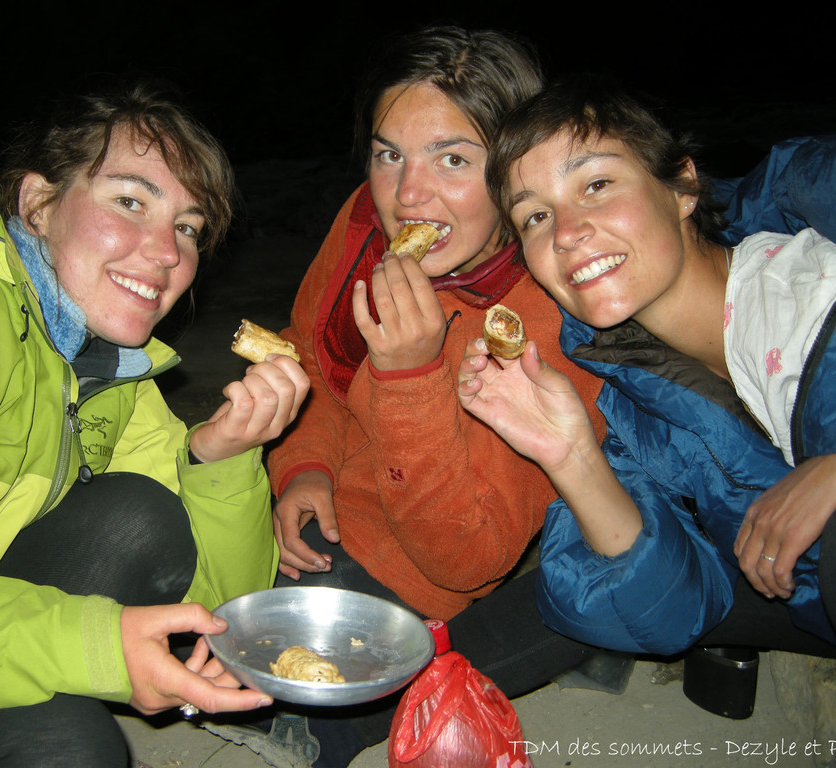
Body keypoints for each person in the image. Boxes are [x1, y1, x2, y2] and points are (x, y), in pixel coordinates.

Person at [202, 24, 608, 768]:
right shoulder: (364, 219)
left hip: (428, 557)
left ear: (512, 170)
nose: (408, 197)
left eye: (453, 158)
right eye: (390, 153)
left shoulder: (545, 310)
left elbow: (467, 558)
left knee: (288, 672)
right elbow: (313, 358)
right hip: (336, 508)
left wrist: (411, 374)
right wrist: (304, 466)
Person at [0, 81, 309, 767]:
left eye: (188, 227)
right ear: (38, 203)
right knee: (70, 749)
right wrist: (85, 646)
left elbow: (220, 611)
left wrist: (224, 456)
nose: (166, 252)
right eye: (131, 201)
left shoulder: (105, 366)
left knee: (142, 512)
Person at [464, 76, 836, 710]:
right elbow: (667, 610)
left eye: (597, 184)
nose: (567, 232)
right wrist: (572, 459)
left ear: (683, 186)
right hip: (824, 596)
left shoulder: (830, 287)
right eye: (535, 215)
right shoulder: (640, 394)